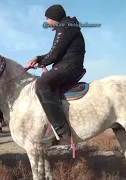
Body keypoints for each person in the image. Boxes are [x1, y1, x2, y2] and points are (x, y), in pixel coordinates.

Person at [26, 4, 86, 143]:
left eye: (47, 19)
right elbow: (53, 53)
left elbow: (54, 54)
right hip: (67, 64)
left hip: (69, 66)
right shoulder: (66, 27)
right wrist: (38, 59)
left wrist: (41, 61)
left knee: (41, 83)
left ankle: (61, 129)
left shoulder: (64, 27)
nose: (46, 22)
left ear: (55, 17)